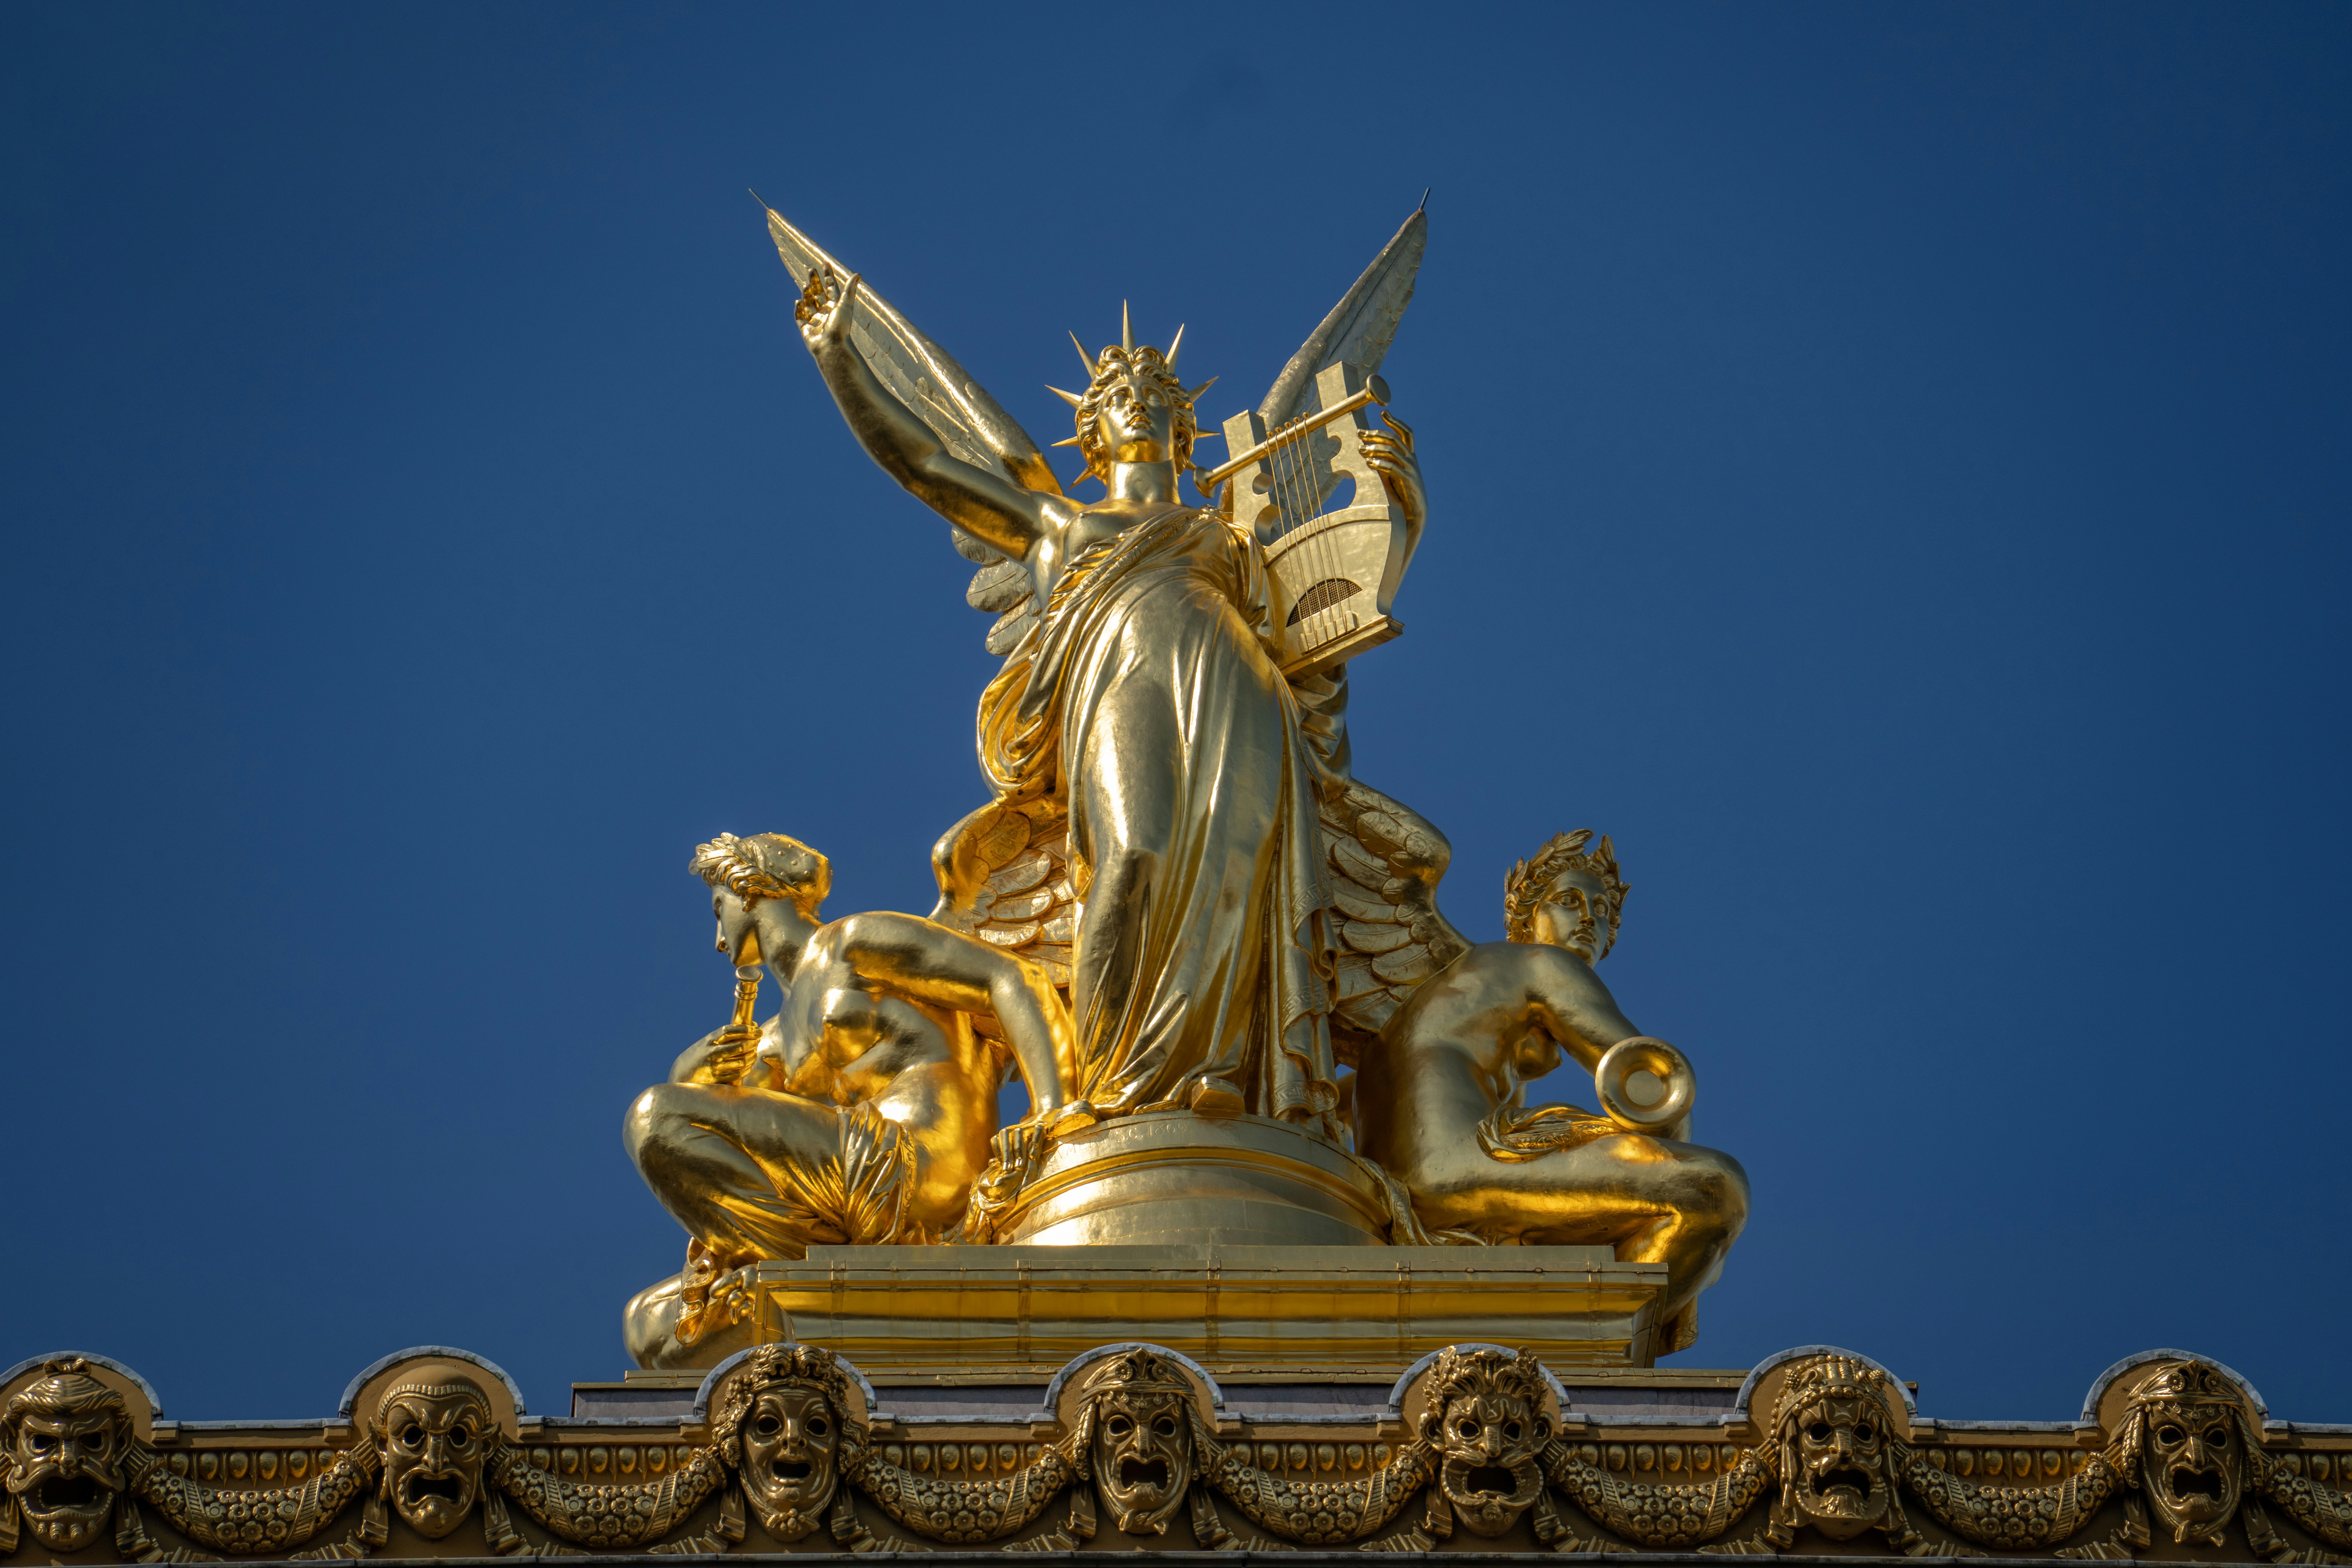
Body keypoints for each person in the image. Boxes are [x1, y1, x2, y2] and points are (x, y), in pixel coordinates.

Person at [797, 277, 1427, 1137]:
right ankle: (1113, 1080)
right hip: (1117, 683)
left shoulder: (1231, 533)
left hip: (1235, 686)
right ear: (1091, 434)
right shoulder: (1056, 526)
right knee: (1132, 854)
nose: (1136, 406)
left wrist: (1396, 521)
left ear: (1181, 421)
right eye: (1117, 398)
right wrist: (840, 358)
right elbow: (929, 464)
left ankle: (1220, 1074)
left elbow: (1322, 628)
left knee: (1241, 867)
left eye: (1152, 395)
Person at [622, 831, 1076, 1365]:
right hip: (854, 1188)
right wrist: (691, 1071)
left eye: (718, 909)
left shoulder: (855, 943)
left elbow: (1014, 977)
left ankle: (795, 1284)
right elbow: (714, 1139)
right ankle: (813, 1284)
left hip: (919, 1161)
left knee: (653, 1117)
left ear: (747, 892)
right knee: (648, 1329)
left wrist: (1054, 1113)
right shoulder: (772, 1040)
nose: (719, 939)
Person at [1351, 831, 1747, 1348]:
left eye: (1603, 911)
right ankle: (1588, 1353)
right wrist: (1675, 1166)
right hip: (1455, 1164)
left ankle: (1576, 1346)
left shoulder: (1466, 985)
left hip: (1412, 1170)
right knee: (1713, 1192)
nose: (1589, 918)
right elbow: (1645, 1075)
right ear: (1526, 919)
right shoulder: (1542, 965)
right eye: (1568, 901)